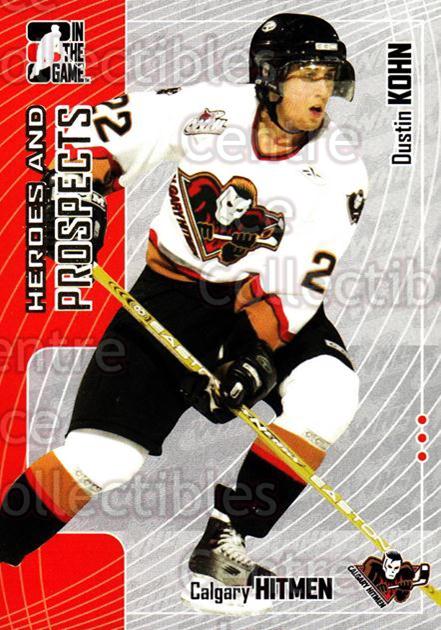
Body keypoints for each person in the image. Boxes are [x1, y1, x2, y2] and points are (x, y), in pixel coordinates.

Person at [0, 13, 367, 615]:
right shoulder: (207, 111)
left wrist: (251, 359)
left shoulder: (341, 167)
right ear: (269, 77)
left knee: (329, 392)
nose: (322, 91)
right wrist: (79, 195)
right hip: (170, 297)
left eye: (329, 76)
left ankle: (226, 540)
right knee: (102, 458)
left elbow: (300, 281)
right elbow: (92, 132)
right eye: (307, 74)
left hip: (257, 302)